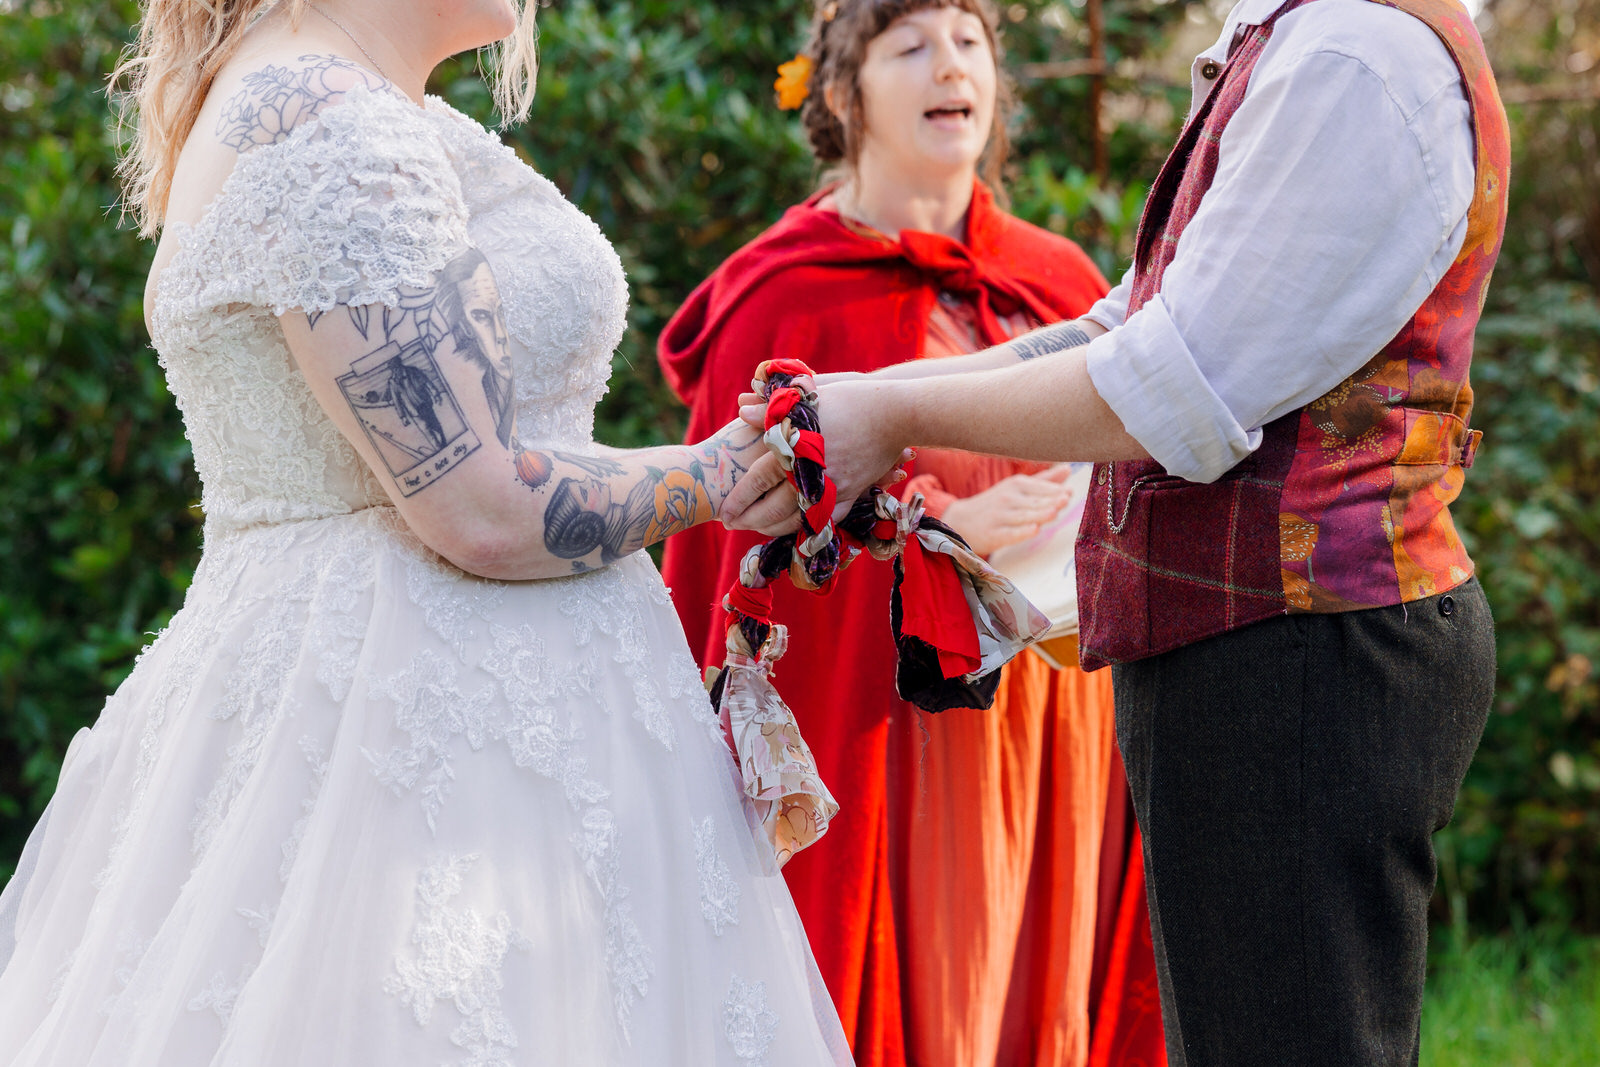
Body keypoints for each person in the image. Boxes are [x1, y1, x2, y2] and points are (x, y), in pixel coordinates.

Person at [0, 0, 852, 1063]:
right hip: (415, 743)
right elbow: (479, 506)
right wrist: (725, 471)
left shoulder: (347, 102)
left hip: (475, 715)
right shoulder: (329, 124)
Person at [724, 1, 1510, 1065]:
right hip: (1255, 645)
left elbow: (1173, 386)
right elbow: (1133, 322)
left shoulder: (1352, 58)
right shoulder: (1302, 37)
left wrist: (889, 416)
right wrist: (864, 398)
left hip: (1306, 651)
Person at [659, 3, 1166, 1065]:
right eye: (912, 45)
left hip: (1053, 714)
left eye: (970, 41)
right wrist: (938, 532)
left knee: (1045, 974)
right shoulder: (778, 298)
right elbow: (738, 551)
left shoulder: (1068, 282)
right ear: (842, 96)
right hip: (886, 735)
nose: (951, 65)